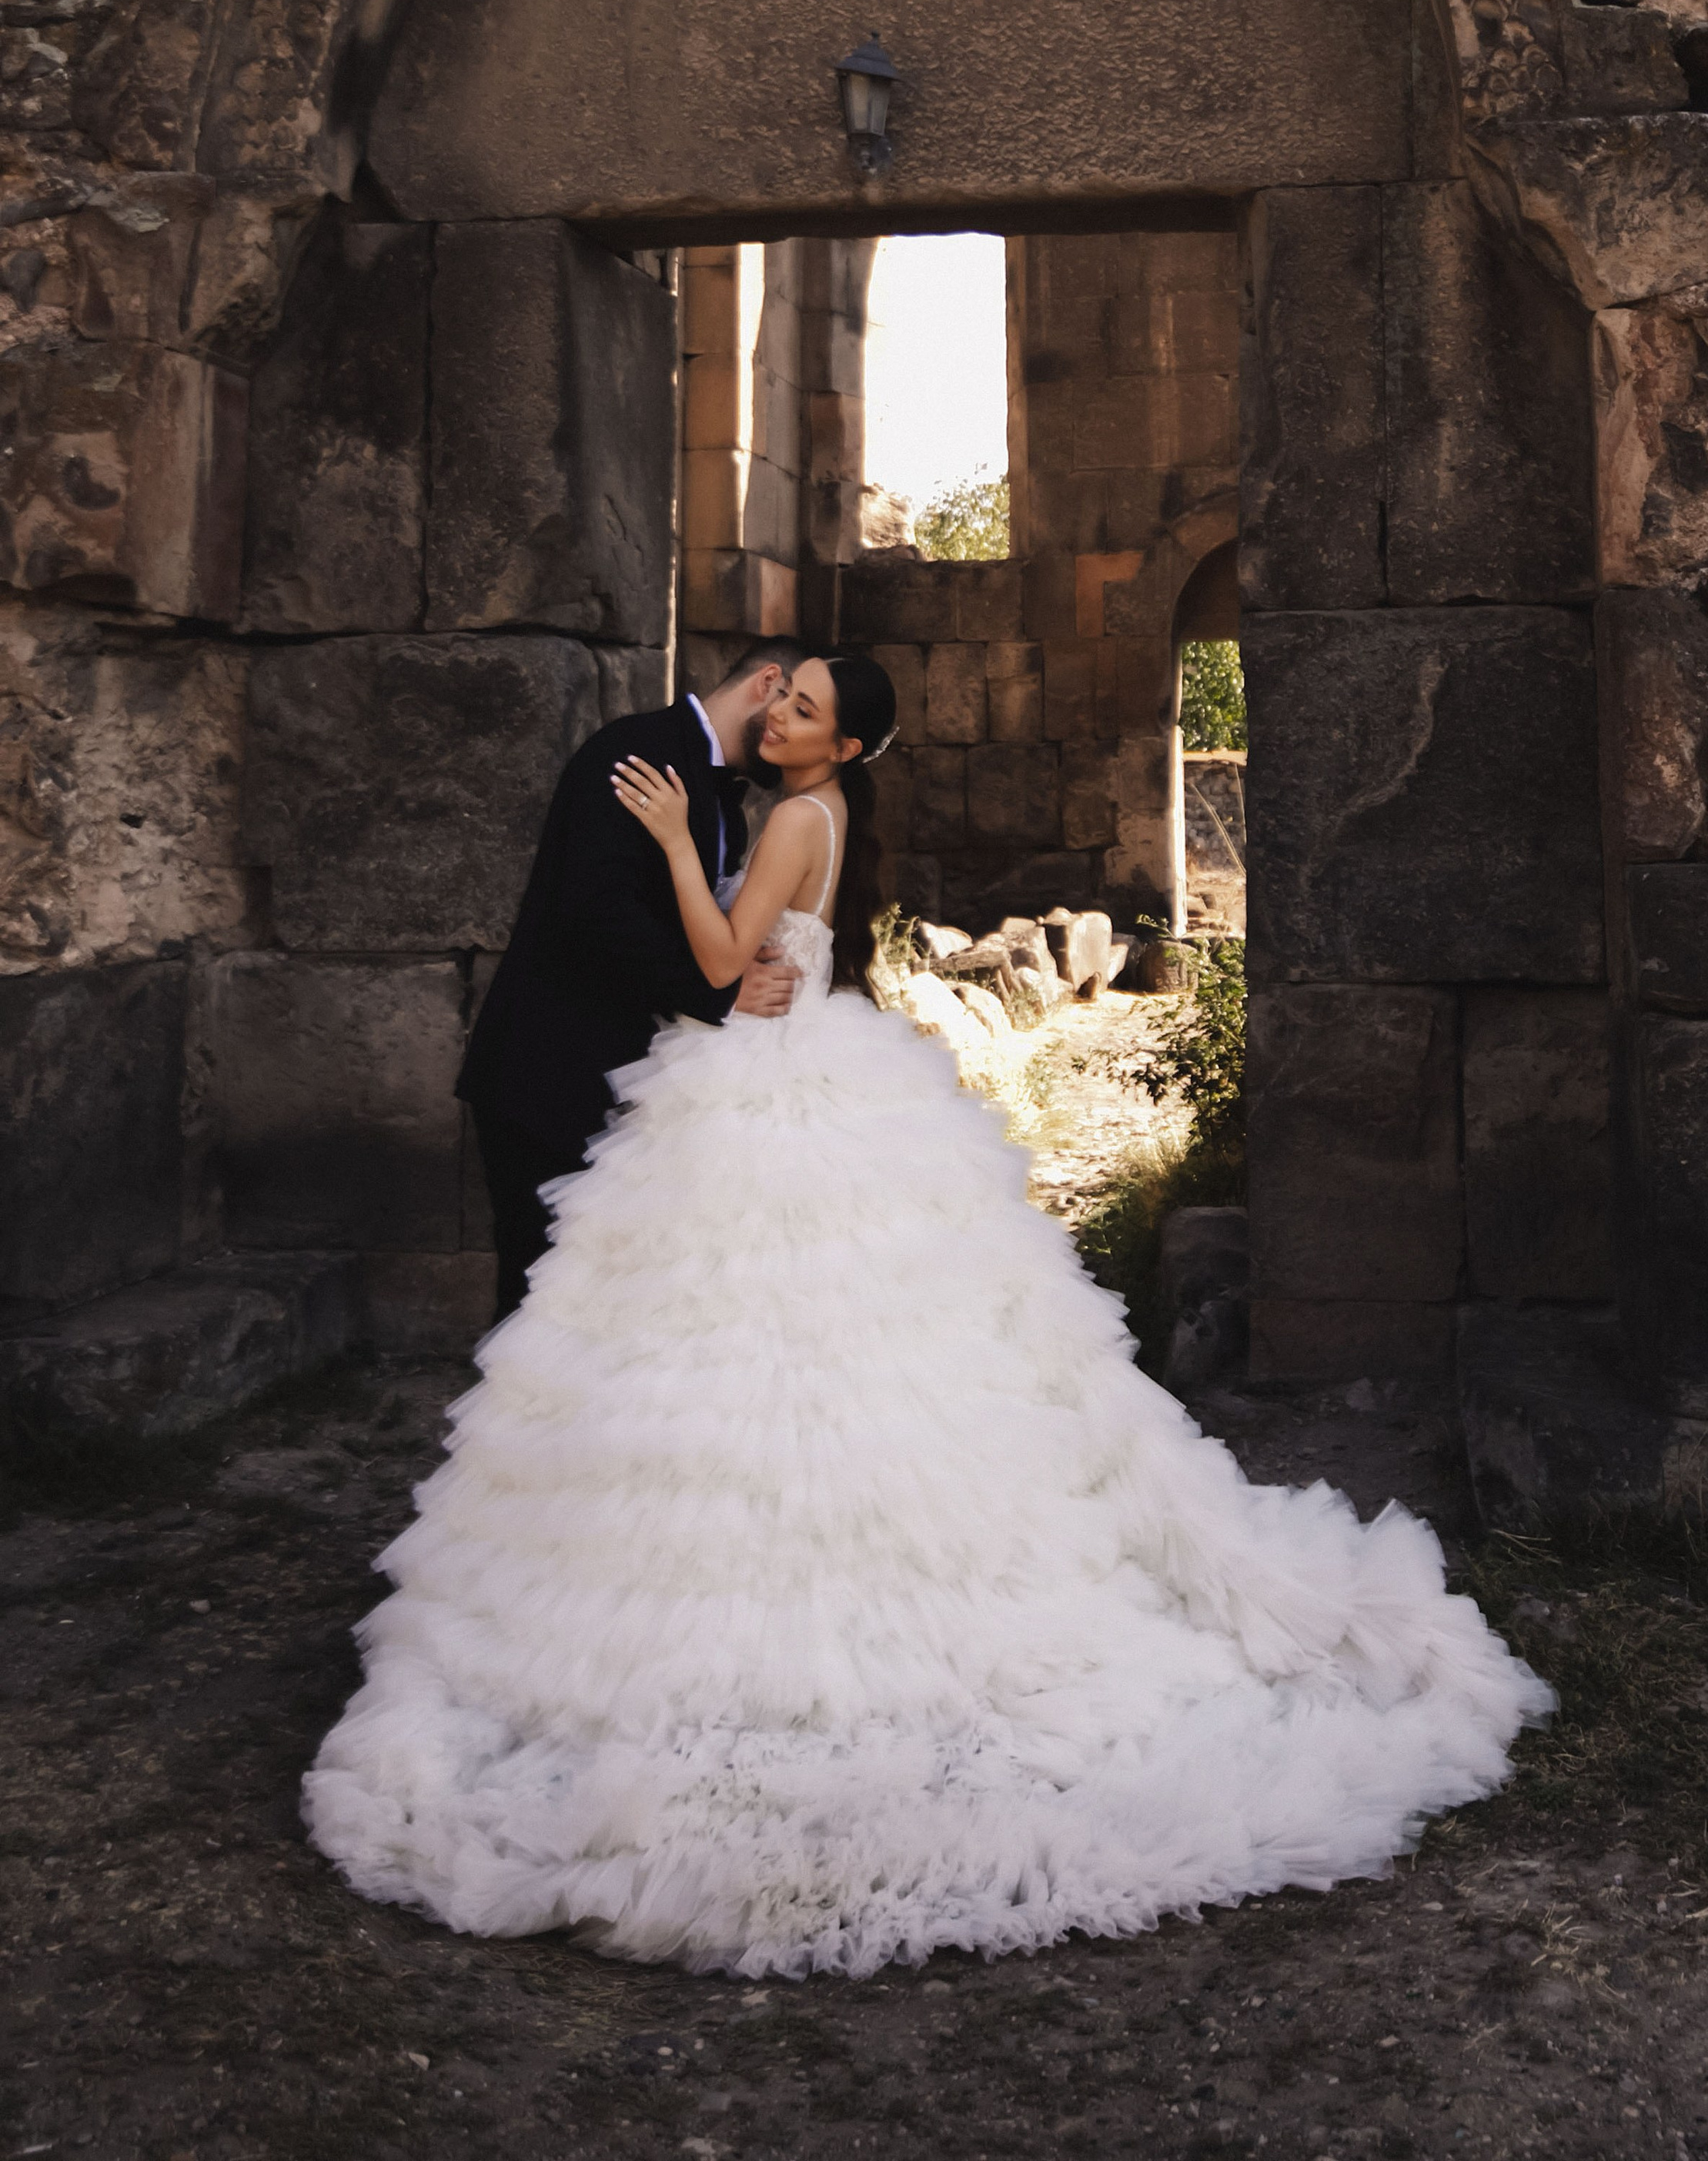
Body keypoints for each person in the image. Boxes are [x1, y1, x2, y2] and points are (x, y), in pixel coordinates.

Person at [306, 653, 1552, 1979]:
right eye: (781, 699)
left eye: (807, 713)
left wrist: (674, 842)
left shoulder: (785, 816)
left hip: (759, 1075)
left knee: (767, 1330)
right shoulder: (814, 813)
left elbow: (728, 959)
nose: (780, 715)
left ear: (841, 753)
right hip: (791, 1066)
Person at [456, 636, 811, 1321]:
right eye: (793, 708)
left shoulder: (726, 805)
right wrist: (721, 993)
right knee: (541, 1300)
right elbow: (595, 910)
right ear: (768, 683)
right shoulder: (639, 751)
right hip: (548, 1072)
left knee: (601, 1305)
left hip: (626, 1078)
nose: (790, 733)